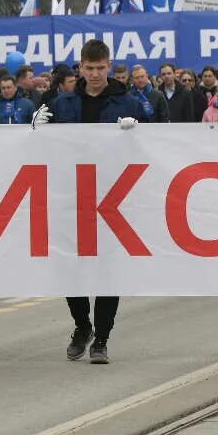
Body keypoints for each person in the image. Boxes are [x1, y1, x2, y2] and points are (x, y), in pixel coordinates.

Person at [36, 38, 154, 364]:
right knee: (69, 266)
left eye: (101, 68)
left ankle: (101, 337)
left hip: (113, 196)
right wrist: (37, 131)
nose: (96, 74)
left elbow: (151, 146)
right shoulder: (62, 104)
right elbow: (45, 151)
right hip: (71, 195)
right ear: (81, 68)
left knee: (107, 270)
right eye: (90, 68)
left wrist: (139, 131)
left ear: (109, 65)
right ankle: (81, 325)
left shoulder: (127, 103)